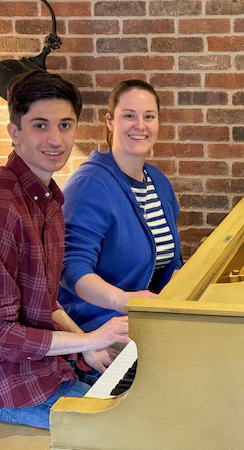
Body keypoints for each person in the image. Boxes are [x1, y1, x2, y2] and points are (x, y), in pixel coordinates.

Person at [0, 71, 129, 430]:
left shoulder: (47, 201)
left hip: (45, 372)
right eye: (40, 125)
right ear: (14, 132)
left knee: (150, 407)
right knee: (130, 431)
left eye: (65, 125)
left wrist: (86, 345)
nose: (55, 139)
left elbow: (46, 303)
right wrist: (92, 337)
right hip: (4, 389)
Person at [58, 80, 182, 332]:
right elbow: (70, 267)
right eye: (129, 116)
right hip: (99, 328)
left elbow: (171, 261)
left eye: (149, 116)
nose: (140, 125)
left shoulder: (158, 181)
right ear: (110, 122)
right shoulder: (90, 185)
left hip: (147, 320)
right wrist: (122, 300)